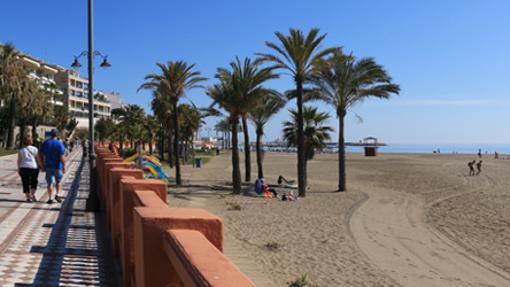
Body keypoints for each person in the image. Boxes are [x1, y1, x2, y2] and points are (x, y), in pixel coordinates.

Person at [39, 129, 66, 204]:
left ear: (51, 134)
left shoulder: (45, 143)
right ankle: (57, 194)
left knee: (49, 183)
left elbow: (40, 154)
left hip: (48, 166)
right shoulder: (59, 144)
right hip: (58, 166)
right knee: (58, 181)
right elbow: (62, 156)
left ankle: (50, 198)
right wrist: (64, 166)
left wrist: (41, 164)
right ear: (57, 135)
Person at [17, 136, 40, 202]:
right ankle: (32, 194)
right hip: (33, 167)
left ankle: (28, 197)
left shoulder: (21, 150)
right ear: (31, 141)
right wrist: (41, 166)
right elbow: (38, 159)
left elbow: (19, 160)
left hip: (24, 167)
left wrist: (18, 168)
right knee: (34, 181)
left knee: (25, 182)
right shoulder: (35, 149)